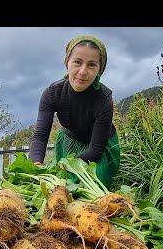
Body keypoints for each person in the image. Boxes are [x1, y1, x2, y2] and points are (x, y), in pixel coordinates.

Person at [28, 34, 120, 189]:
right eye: (77, 62)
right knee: (61, 188)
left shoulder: (104, 100)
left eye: (91, 65)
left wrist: (67, 165)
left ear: (99, 69)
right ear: (67, 63)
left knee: (91, 188)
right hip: (69, 141)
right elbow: (40, 136)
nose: (83, 71)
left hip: (99, 149)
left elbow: (96, 150)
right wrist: (36, 163)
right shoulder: (52, 93)